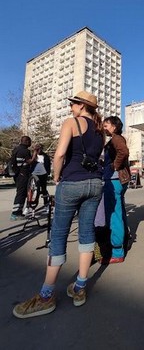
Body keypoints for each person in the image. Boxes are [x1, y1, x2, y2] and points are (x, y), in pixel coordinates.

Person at [13, 91, 104, 318]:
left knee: (59, 235)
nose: (71, 107)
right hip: (95, 184)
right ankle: (80, 287)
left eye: (73, 103)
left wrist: (56, 176)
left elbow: (60, 154)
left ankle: (46, 296)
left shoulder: (71, 122)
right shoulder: (100, 130)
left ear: (82, 106)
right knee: (86, 233)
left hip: (72, 183)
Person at [95, 116, 131, 264]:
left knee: (114, 216)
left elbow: (124, 151)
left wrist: (114, 166)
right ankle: (122, 243)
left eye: (106, 125)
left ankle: (117, 251)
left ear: (114, 126)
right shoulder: (115, 139)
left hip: (114, 180)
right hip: (119, 180)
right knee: (120, 213)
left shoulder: (116, 138)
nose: (104, 127)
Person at [10, 136, 38, 221]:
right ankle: (15, 214)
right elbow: (30, 161)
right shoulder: (25, 151)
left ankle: (19, 212)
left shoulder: (16, 149)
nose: (30, 143)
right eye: (29, 141)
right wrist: (35, 153)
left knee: (22, 192)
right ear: (26, 141)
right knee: (21, 193)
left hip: (17, 174)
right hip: (23, 174)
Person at [23, 143, 51, 216]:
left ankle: (46, 205)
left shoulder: (45, 156)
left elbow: (48, 165)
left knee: (44, 190)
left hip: (43, 174)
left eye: (40, 149)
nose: (39, 150)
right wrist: (34, 153)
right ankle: (28, 206)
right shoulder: (32, 156)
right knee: (31, 190)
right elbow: (29, 163)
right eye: (37, 149)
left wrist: (48, 173)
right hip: (34, 174)